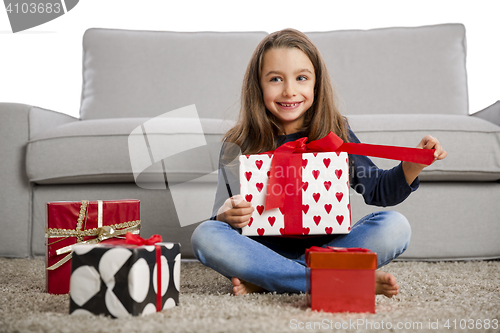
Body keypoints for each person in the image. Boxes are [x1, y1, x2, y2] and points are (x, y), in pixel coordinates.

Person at [191, 28, 447, 297]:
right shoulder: (239, 142)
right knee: (206, 234)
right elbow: (219, 217)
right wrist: (226, 214)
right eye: (276, 79)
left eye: (301, 78)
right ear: (258, 85)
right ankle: (336, 280)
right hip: (261, 252)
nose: (290, 91)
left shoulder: (334, 132)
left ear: (315, 83)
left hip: (329, 250)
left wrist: (413, 164)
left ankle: (272, 280)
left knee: (395, 226)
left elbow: (378, 190)